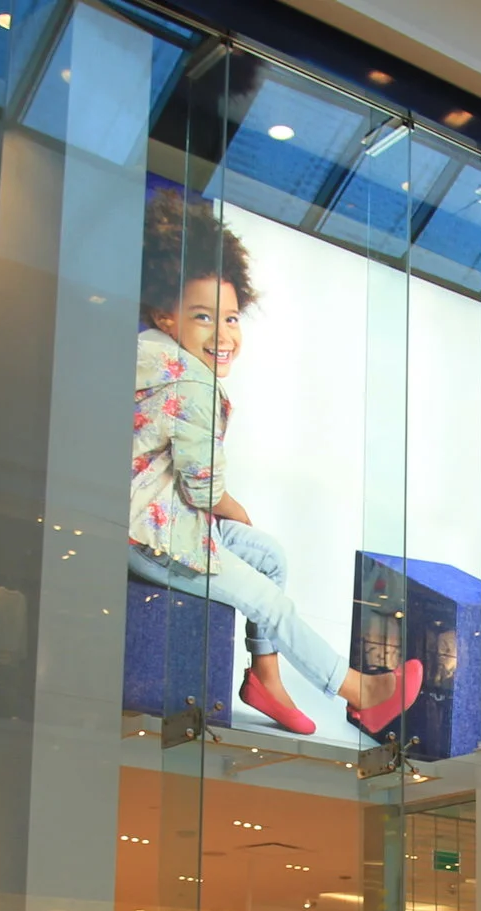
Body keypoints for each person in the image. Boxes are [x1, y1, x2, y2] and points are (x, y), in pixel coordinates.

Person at [127, 190, 417, 740]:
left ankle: (266, 678)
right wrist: (234, 508)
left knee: (269, 557)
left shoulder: (154, 356)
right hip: (158, 537)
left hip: (160, 520)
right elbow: (203, 488)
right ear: (167, 315)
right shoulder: (191, 384)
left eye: (231, 318)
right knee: (268, 598)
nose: (223, 335)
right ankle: (360, 691)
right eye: (203, 317)